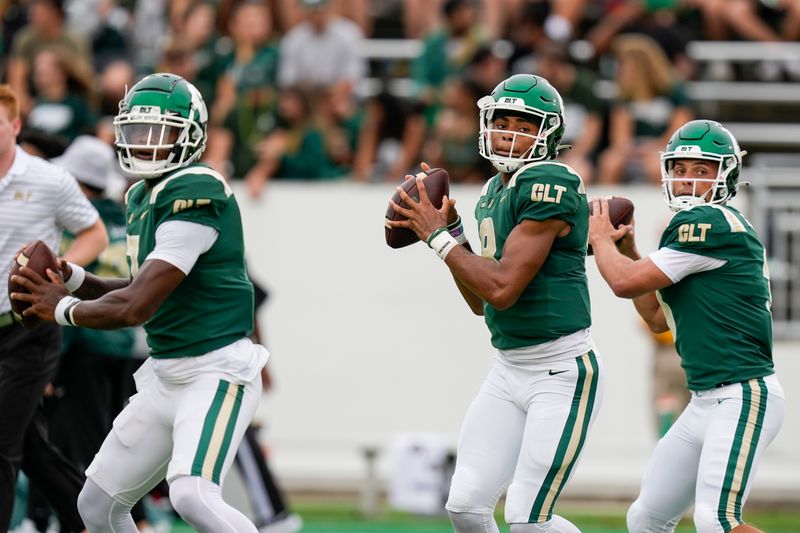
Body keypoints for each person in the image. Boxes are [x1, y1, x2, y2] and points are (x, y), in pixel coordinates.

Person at [11, 73, 269, 533]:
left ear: (191, 135)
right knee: (96, 505)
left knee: (192, 495)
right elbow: (137, 284)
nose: (147, 144)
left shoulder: (197, 188)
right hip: (165, 374)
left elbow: (136, 307)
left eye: (160, 132)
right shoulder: (140, 194)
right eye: (137, 133)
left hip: (215, 370)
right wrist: (72, 278)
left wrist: (60, 308)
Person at [386, 73, 603, 533]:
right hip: (508, 369)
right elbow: (481, 302)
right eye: (501, 121)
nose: (509, 132)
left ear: (548, 133)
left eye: (523, 125)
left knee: (527, 519)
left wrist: (439, 238)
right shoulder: (492, 192)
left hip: (561, 371)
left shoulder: (551, 179)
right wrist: (455, 234)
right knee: (464, 506)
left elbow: (504, 288)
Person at [587, 119, 785, 533]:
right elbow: (656, 315)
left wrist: (601, 240)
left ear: (726, 175)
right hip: (704, 401)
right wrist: (628, 248)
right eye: (680, 169)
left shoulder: (709, 223)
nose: (688, 180)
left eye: (702, 170)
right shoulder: (698, 231)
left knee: (717, 520)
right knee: (646, 518)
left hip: (741, 393)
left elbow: (624, 283)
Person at [0, 84, 108, 532]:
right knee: (32, 448)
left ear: (15, 125)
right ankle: (90, 522)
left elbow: (95, 233)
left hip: (28, 326)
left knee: (0, 442)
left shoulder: (48, 179)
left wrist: (61, 274)